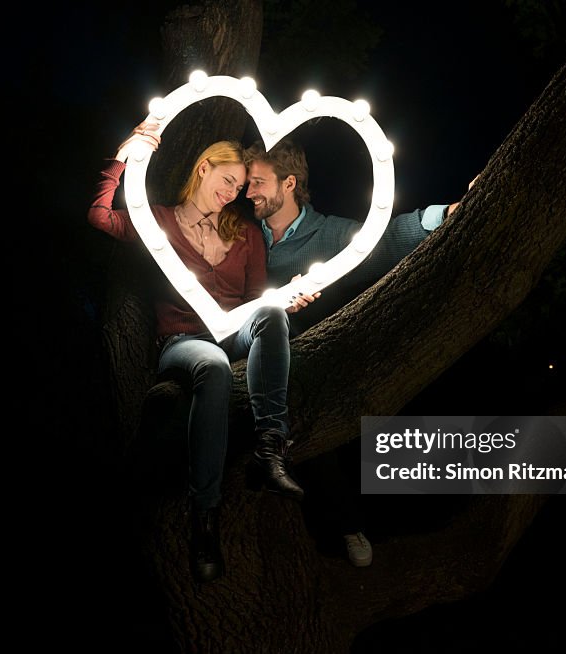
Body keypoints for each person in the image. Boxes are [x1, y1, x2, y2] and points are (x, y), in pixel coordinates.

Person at [87, 123, 305, 584]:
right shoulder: (158, 220)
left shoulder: (245, 234)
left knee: (273, 316)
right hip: (184, 342)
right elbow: (99, 216)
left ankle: (272, 448)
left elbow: (254, 300)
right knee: (213, 366)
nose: (234, 193)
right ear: (203, 167)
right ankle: (204, 516)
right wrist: (122, 155)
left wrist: (282, 300)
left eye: (241, 188)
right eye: (228, 180)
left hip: (232, 332)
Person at [242, 139, 467, 566]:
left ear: (289, 183)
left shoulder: (326, 233)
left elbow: (381, 240)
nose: (248, 191)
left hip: (307, 363)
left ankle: (348, 525)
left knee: (313, 432)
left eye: (257, 182)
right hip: (245, 357)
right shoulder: (243, 236)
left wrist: (443, 215)